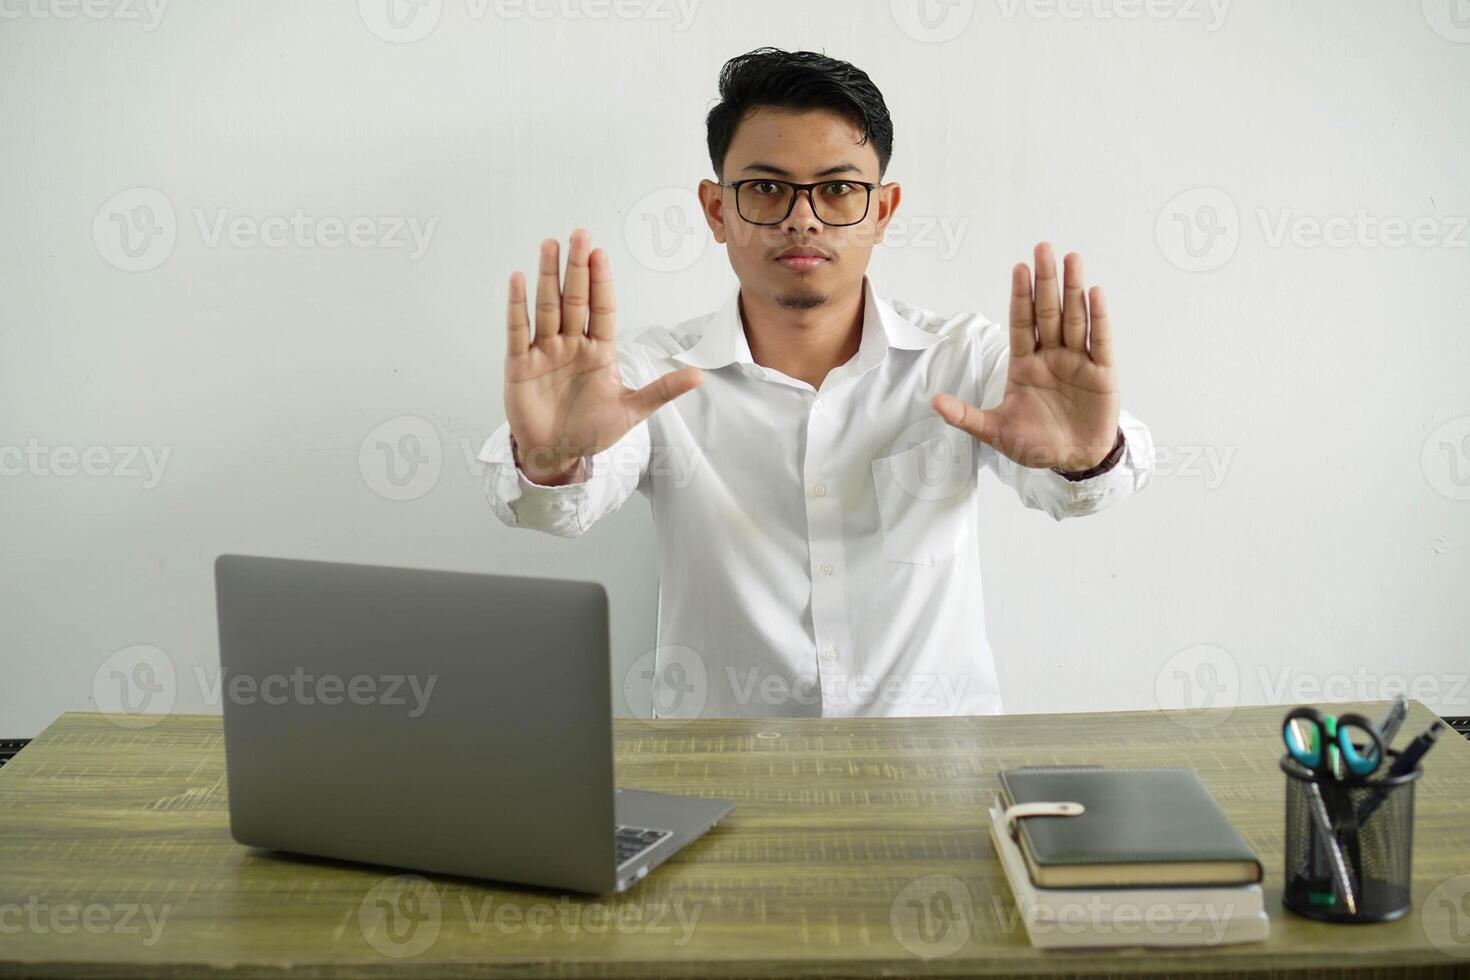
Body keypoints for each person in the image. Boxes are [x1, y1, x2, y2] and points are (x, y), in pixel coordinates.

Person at [479, 47, 1153, 719]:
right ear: (717, 210)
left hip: (936, 778)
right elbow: (553, 509)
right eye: (767, 188)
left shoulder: (960, 360)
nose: (803, 218)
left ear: (882, 210)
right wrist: (552, 458)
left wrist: (1086, 459)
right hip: (723, 783)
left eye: (837, 189)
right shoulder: (649, 377)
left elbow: (1081, 497)